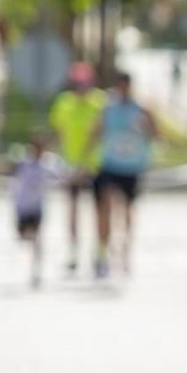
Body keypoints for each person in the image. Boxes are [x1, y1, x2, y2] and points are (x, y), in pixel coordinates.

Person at [87, 72, 159, 279]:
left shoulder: (141, 110)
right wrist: (85, 159)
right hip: (110, 164)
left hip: (132, 166)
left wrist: (147, 126)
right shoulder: (108, 109)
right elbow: (96, 132)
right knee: (105, 206)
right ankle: (103, 251)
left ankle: (125, 248)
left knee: (127, 210)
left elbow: (156, 135)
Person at [47, 62, 105, 275]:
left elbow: (101, 133)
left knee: (99, 210)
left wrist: (85, 162)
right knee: (72, 210)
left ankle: (100, 251)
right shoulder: (64, 102)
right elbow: (58, 131)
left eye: (85, 83)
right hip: (70, 165)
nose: (81, 87)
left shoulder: (100, 101)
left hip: (95, 166)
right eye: (77, 83)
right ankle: (73, 251)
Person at [9, 132, 61, 288]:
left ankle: (35, 272)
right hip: (22, 208)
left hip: (37, 208)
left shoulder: (48, 164)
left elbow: (61, 176)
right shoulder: (22, 163)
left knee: (37, 240)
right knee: (24, 238)